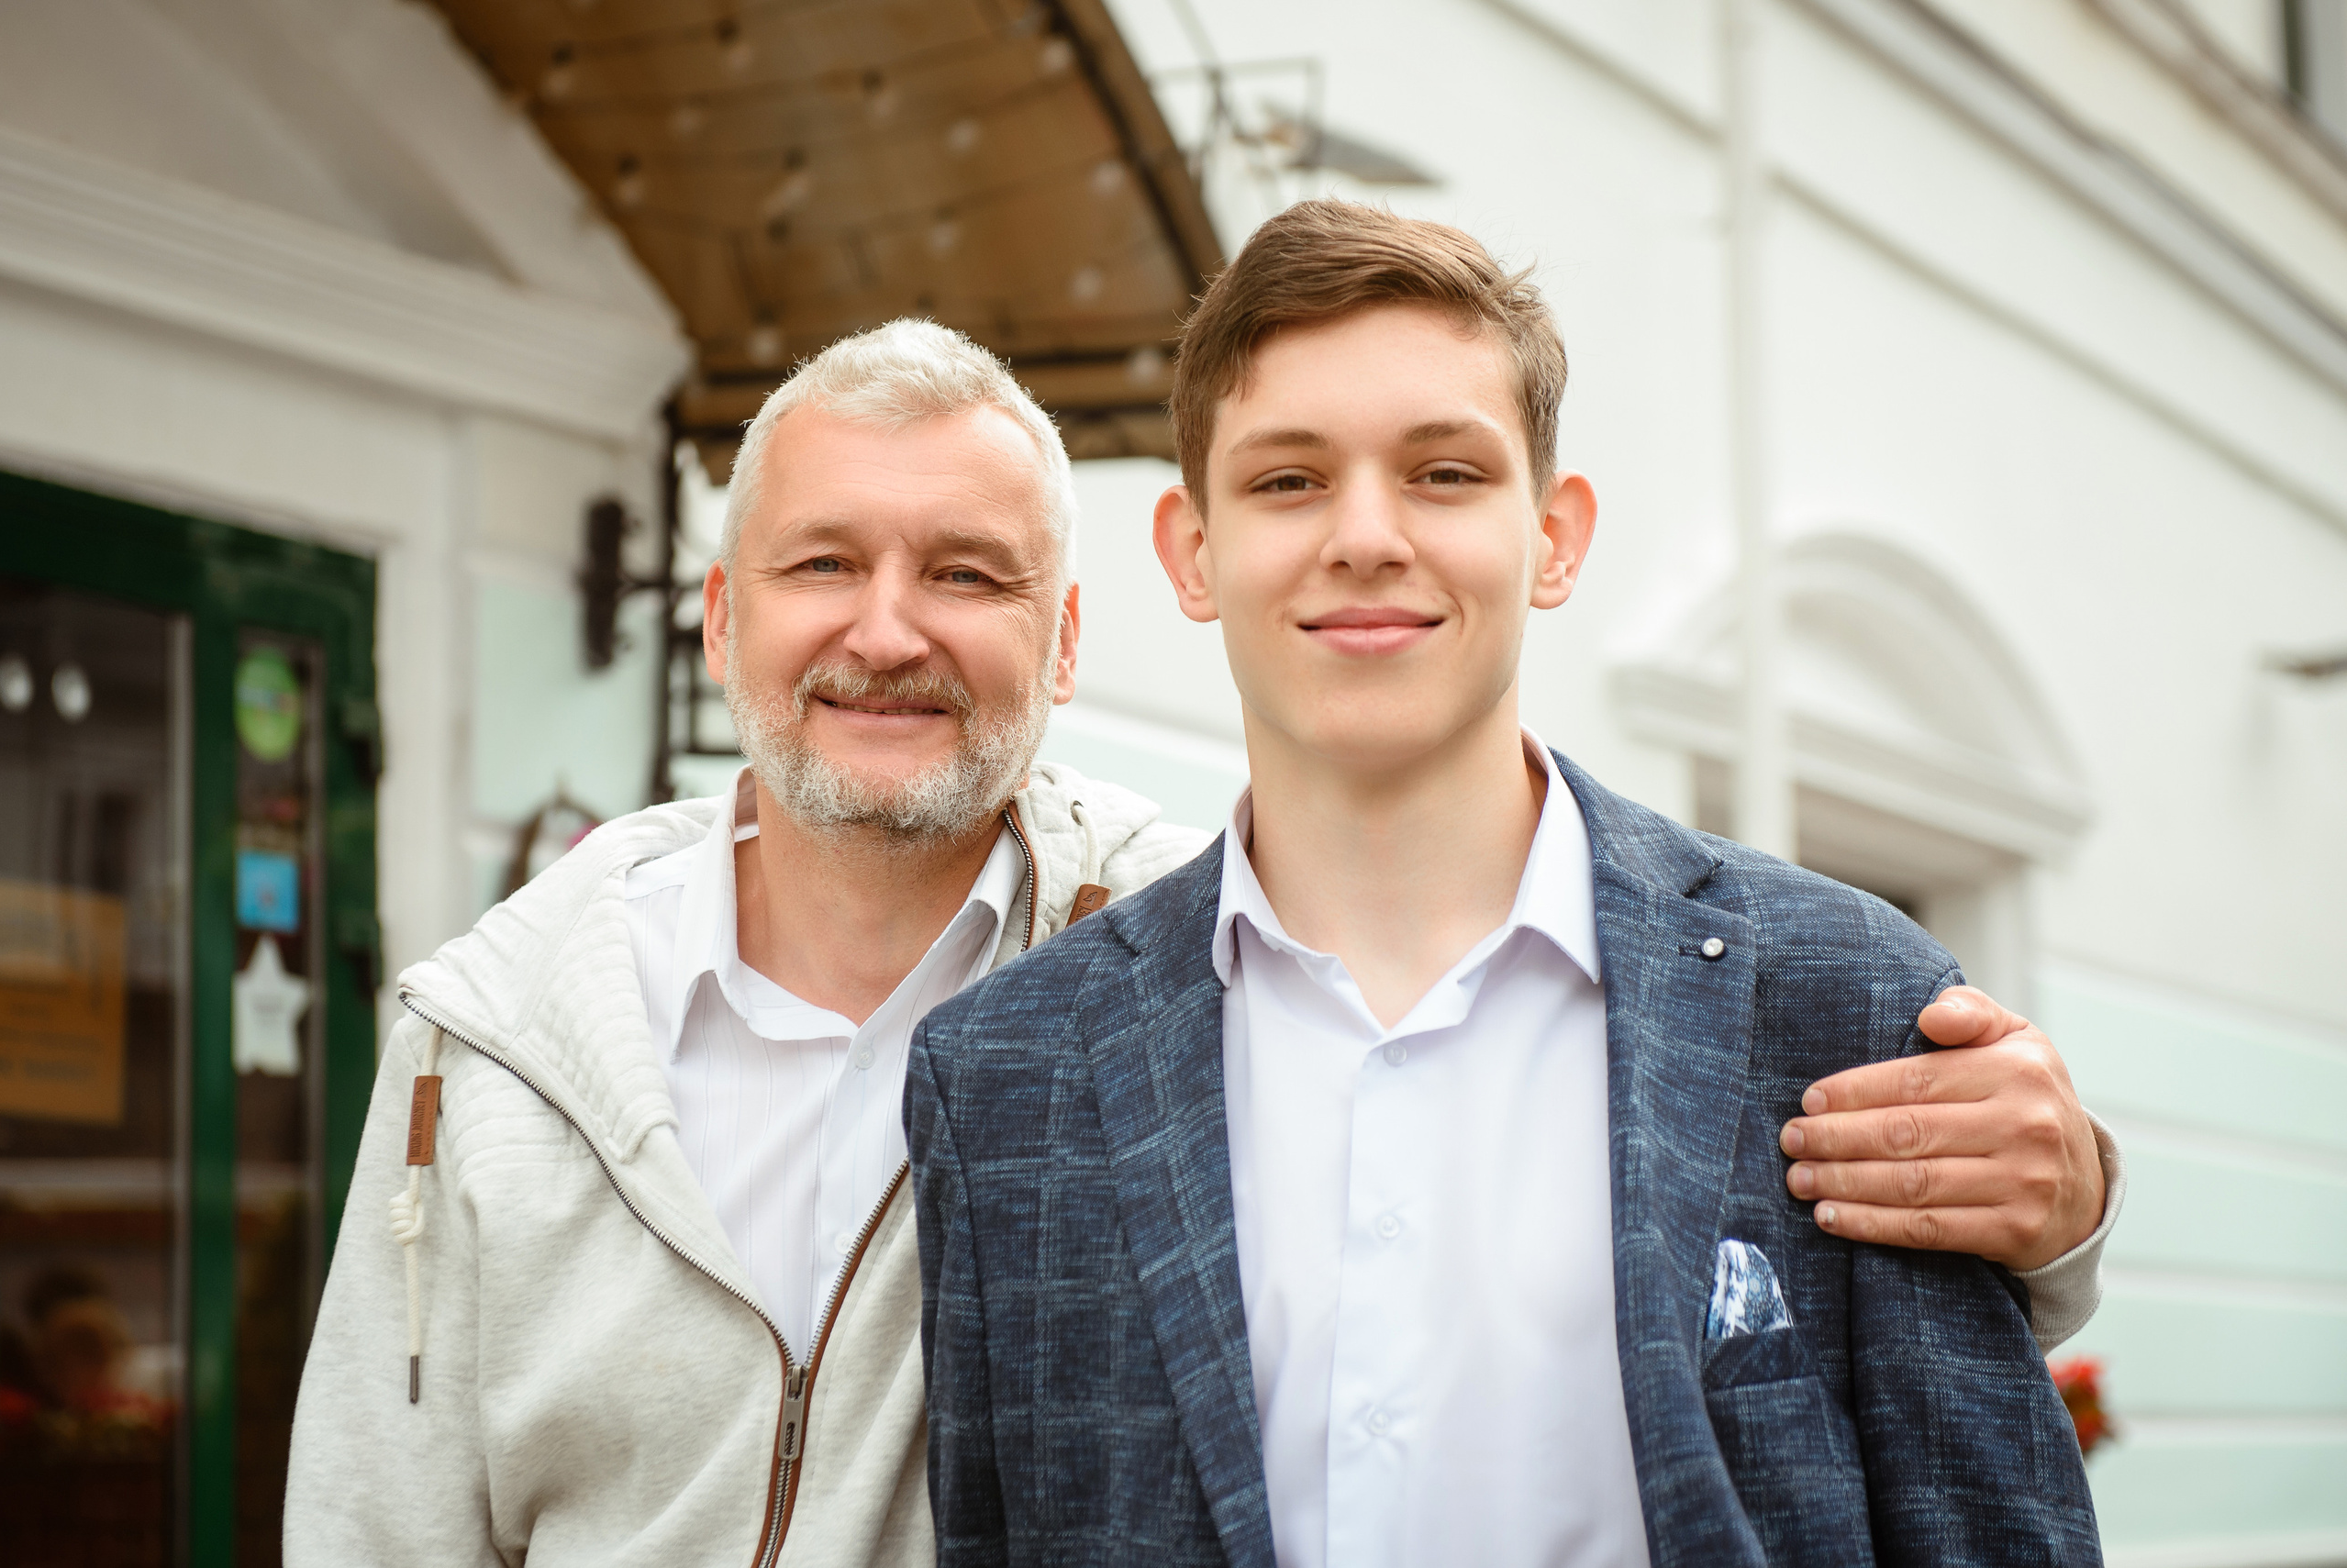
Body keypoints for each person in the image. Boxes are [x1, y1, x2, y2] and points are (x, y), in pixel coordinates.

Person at [286, 313, 2110, 1564]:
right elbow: (376, 1519)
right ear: (717, 616)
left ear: (1071, 642)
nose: (888, 631)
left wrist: (2070, 1186)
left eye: (973, 575)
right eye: (823, 564)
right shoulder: (493, 1036)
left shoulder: (1198, 958)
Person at [907, 202, 2105, 1567]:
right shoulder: (1003, 1074)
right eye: (1289, 479)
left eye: (1445, 474)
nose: (1365, 535)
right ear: (1191, 551)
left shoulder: (1850, 1001)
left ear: (1556, 536)